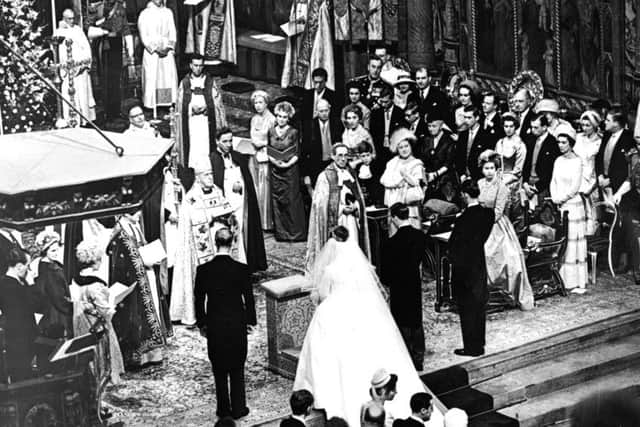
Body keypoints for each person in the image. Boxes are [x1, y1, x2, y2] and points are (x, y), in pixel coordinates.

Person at [294, 227, 442, 427]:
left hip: (335, 311)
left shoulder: (330, 270)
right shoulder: (359, 266)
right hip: (361, 310)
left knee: (330, 355)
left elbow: (321, 295)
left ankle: (329, 396)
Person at [195, 228, 256, 420]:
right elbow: (249, 298)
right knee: (237, 367)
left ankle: (223, 410)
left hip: (215, 325)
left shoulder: (203, 270)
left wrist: (202, 324)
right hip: (237, 323)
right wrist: (250, 321)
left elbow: (199, 299)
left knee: (219, 368)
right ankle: (239, 408)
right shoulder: (242, 269)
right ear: (233, 242)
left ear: (215, 242)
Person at [170, 161, 237, 326]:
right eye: (206, 175)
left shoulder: (217, 191)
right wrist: (212, 216)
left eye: (211, 174)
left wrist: (228, 215)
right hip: (202, 245)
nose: (210, 177)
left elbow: (226, 205)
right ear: (198, 178)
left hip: (220, 242)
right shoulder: (191, 197)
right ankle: (203, 312)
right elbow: (193, 219)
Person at [108, 212, 171, 369]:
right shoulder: (120, 233)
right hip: (133, 280)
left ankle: (152, 352)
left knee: (151, 311)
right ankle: (139, 355)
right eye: (136, 211)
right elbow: (121, 262)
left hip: (146, 275)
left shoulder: (134, 227)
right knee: (136, 316)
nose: (140, 214)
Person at [477, 151, 534, 310]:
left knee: (504, 256)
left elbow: (498, 211)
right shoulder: (480, 183)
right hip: (480, 222)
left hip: (496, 225)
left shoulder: (502, 187)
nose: (488, 171)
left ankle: (504, 291)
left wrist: (483, 224)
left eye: (491, 168)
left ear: (497, 170)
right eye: (486, 168)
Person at [210, 127, 268, 271]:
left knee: (242, 231)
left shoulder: (238, 157)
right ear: (217, 142)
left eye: (230, 140)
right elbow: (216, 182)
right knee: (227, 232)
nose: (228, 144)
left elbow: (246, 180)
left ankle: (243, 263)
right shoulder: (213, 159)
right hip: (225, 202)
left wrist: (240, 185)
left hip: (241, 202)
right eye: (224, 141)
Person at [305, 145, 370, 272]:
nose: (343, 158)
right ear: (333, 156)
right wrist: (341, 209)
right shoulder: (325, 176)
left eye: (346, 155)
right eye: (340, 155)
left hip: (351, 220)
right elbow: (320, 203)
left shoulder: (351, 173)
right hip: (337, 221)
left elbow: (359, 196)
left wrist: (355, 206)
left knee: (352, 248)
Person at [448, 180, 495, 357]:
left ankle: (471, 347)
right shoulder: (487, 214)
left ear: (465, 196)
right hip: (479, 261)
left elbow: (453, 245)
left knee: (467, 307)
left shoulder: (462, 219)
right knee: (479, 304)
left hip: (464, 266)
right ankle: (479, 342)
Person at [70, 239, 125, 384]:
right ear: (95, 261)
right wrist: (113, 304)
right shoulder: (94, 284)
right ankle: (103, 378)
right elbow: (104, 310)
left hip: (80, 322)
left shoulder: (76, 279)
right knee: (101, 352)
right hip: (96, 323)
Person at [382, 203, 427, 371]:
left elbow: (385, 274)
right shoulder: (420, 236)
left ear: (394, 218)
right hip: (414, 281)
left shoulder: (390, 243)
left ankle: (406, 358)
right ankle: (418, 358)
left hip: (398, 285)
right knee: (416, 319)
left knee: (402, 320)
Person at [595, 109, 636, 271]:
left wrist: (611, 180)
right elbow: (599, 157)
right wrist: (599, 175)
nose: (604, 122)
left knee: (621, 223)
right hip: (604, 185)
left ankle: (624, 260)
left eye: (607, 120)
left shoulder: (628, 139)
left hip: (619, 187)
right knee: (608, 221)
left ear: (617, 123)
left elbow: (625, 168)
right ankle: (610, 257)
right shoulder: (606, 136)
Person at [551, 125, 588, 293]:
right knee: (563, 239)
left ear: (571, 143)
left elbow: (574, 186)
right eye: (558, 142)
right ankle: (562, 276)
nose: (560, 145)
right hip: (559, 205)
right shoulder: (558, 160)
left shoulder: (577, 161)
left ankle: (574, 280)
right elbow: (553, 181)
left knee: (573, 240)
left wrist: (562, 198)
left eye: (564, 142)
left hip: (572, 205)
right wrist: (554, 197)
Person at [176, 53, 227, 168]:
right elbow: (180, 104)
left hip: (206, 121)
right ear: (190, 65)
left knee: (206, 145)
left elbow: (217, 102)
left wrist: (208, 108)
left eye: (200, 65)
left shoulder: (210, 81)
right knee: (194, 146)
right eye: (195, 65)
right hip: (191, 121)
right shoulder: (185, 83)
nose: (198, 68)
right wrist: (190, 108)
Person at [0, 249, 43, 381]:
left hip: (15, 336)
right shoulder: (15, 286)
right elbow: (36, 305)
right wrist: (31, 283)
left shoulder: (6, 283)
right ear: (19, 266)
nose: (28, 270)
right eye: (27, 266)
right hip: (21, 338)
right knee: (23, 377)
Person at [268, 103, 307, 242]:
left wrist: (287, 164)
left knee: (291, 200)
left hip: (290, 171)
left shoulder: (293, 132)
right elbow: (269, 150)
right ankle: (281, 233)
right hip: (275, 170)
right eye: (279, 116)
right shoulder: (271, 131)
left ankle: (295, 233)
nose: (281, 119)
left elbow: (297, 152)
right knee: (278, 201)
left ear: (289, 118)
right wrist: (274, 161)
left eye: (284, 117)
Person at [55, 8, 96, 126]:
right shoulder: (59, 33)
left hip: (82, 69)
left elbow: (86, 47)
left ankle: (86, 120)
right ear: (64, 18)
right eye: (69, 18)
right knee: (71, 96)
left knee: (84, 95)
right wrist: (69, 66)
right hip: (70, 71)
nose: (72, 21)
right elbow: (60, 52)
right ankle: (73, 120)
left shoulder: (78, 30)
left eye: (73, 18)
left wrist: (86, 62)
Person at [380, 129, 425, 234]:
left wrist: (405, 175)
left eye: (406, 146)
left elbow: (416, 182)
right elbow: (384, 180)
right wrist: (397, 183)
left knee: (412, 235)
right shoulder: (392, 163)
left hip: (409, 206)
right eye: (401, 147)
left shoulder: (416, 163)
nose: (404, 150)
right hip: (393, 203)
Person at [138, 0, 178, 110]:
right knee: (153, 77)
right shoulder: (145, 14)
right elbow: (143, 35)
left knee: (165, 78)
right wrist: (155, 48)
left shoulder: (168, 12)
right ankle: (152, 105)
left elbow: (172, 32)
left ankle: (164, 103)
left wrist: (169, 46)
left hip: (166, 50)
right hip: (152, 53)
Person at [249, 90, 276, 231]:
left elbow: (273, 140)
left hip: (266, 154)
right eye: (255, 103)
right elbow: (252, 135)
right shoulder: (254, 119)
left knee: (265, 188)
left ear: (266, 103)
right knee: (256, 186)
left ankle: (267, 222)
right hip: (254, 153)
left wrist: (262, 143)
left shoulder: (271, 119)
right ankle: (257, 219)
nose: (258, 106)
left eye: (260, 102)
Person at [301, 99, 343, 187]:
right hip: (316, 164)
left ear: (329, 110)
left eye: (326, 111)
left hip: (333, 162)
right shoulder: (309, 125)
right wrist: (305, 173)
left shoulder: (337, 123)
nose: (324, 113)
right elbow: (304, 150)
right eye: (321, 111)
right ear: (316, 111)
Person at [521, 114, 559, 209]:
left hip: (543, 187)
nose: (533, 130)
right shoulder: (530, 139)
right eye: (532, 127)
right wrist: (525, 182)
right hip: (528, 184)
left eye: (536, 127)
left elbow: (551, 170)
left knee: (543, 216)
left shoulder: (552, 143)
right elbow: (526, 163)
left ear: (544, 127)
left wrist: (537, 187)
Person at [420, 111, 457, 203]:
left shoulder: (449, 140)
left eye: (434, 126)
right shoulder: (426, 140)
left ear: (441, 126)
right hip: (429, 179)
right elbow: (423, 159)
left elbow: (448, 163)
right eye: (429, 126)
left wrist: (436, 174)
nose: (431, 129)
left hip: (445, 180)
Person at [495, 113, 527, 219]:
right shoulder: (500, 143)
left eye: (511, 126)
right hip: (499, 179)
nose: (508, 129)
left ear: (515, 127)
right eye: (506, 126)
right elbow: (496, 163)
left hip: (512, 183)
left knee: (509, 214)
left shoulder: (520, 145)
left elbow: (518, 170)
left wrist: (504, 182)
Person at [370, 85, 407, 176]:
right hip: (379, 150)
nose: (383, 104)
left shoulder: (400, 113)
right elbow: (372, 133)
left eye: (386, 102)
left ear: (392, 99)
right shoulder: (376, 113)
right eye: (381, 101)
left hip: (394, 151)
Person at [456, 105, 493, 182]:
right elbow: (458, 157)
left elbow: (486, 161)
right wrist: (462, 174)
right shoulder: (462, 135)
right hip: (463, 178)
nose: (466, 121)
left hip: (479, 178)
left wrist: (474, 177)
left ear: (477, 118)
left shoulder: (486, 136)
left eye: (469, 118)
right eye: (465, 117)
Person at [354, 142, 382, 207]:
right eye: (363, 156)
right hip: (363, 197)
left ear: (371, 155)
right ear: (359, 156)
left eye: (368, 155)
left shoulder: (375, 166)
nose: (366, 158)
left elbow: (378, 185)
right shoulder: (359, 167)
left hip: (374, 198)